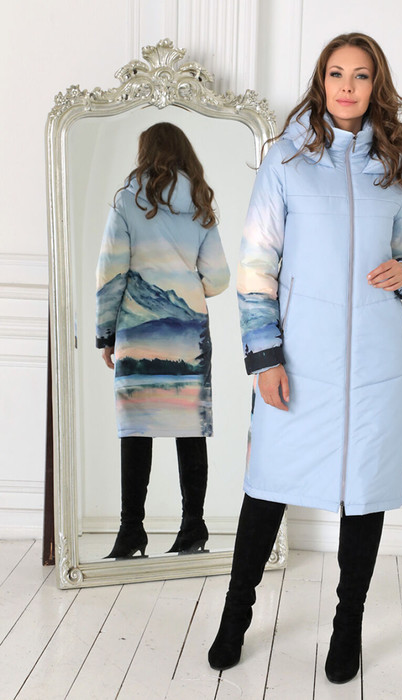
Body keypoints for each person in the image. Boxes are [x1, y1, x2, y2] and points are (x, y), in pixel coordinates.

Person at [208, 33, 402, 683]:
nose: (347, 86)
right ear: (321, 81)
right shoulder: (285, 159)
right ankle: (234, 616)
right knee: (266, 488)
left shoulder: (392, 165)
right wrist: (264, 357)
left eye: (360, 75)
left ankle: (347, 625)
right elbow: (256, 268)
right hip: (299, 359)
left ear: (375, 85)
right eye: (336, 73)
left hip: (376, 364)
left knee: (364, 495)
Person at [95, 122, 230, 559]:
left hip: (137, 333)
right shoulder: (200, 204)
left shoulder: (128, 201)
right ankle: (193, 527)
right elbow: (219, 278)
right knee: (191, 430)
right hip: (189, 334)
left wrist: (105, 333)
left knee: (136, 430)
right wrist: (187, 286)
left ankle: (131, 531)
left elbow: (110, 273)